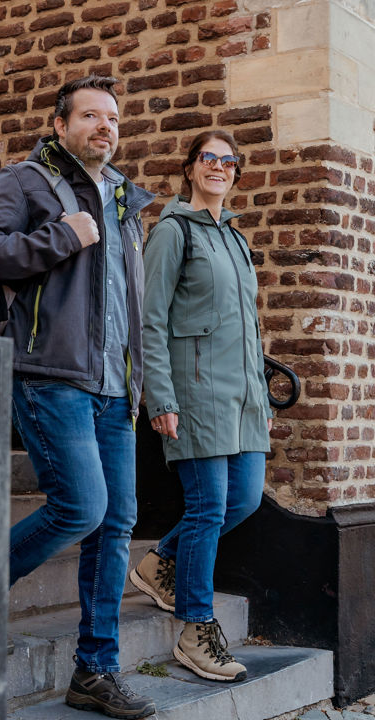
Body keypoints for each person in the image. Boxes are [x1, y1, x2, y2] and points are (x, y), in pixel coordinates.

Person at [0, 75, 156, 720]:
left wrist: (143, 383)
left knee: (115, 525)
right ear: (61, 125)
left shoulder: (124, 200)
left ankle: (95, 671)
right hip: (51, 375)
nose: (105, 127)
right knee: (81, 507)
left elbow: (128, 306)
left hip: (114, 388)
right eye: (91, 116)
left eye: (113, 118)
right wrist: (62, 237)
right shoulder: (24, 181)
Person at [132, 130, 272, 683]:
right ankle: (195, 628)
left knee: (245, 498)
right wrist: (159, 396)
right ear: (190, 168)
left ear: (235, 173)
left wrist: (260, 395)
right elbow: (151, 321)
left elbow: (250, 328)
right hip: (194, 394)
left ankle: (160, 562)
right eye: (207, 158)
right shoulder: (172, 232)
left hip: (242, 398)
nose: (218, 167)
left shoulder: (234, 237)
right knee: (208, 506)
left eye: (228, 161)